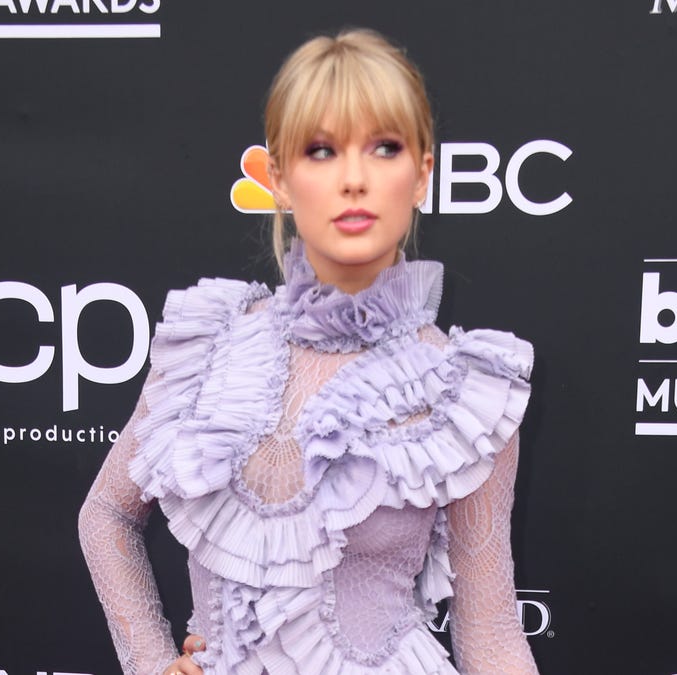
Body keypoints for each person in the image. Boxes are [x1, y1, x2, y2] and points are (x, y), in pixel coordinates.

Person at [78, 28, 540, 675]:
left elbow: (489, 633)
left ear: (421, 175)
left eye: (384, 147)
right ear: (281, 179)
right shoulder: (205, 345)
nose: (354, 178)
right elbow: (106, 515)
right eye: (321, 150)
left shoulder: (467, 393)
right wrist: (152, 663)